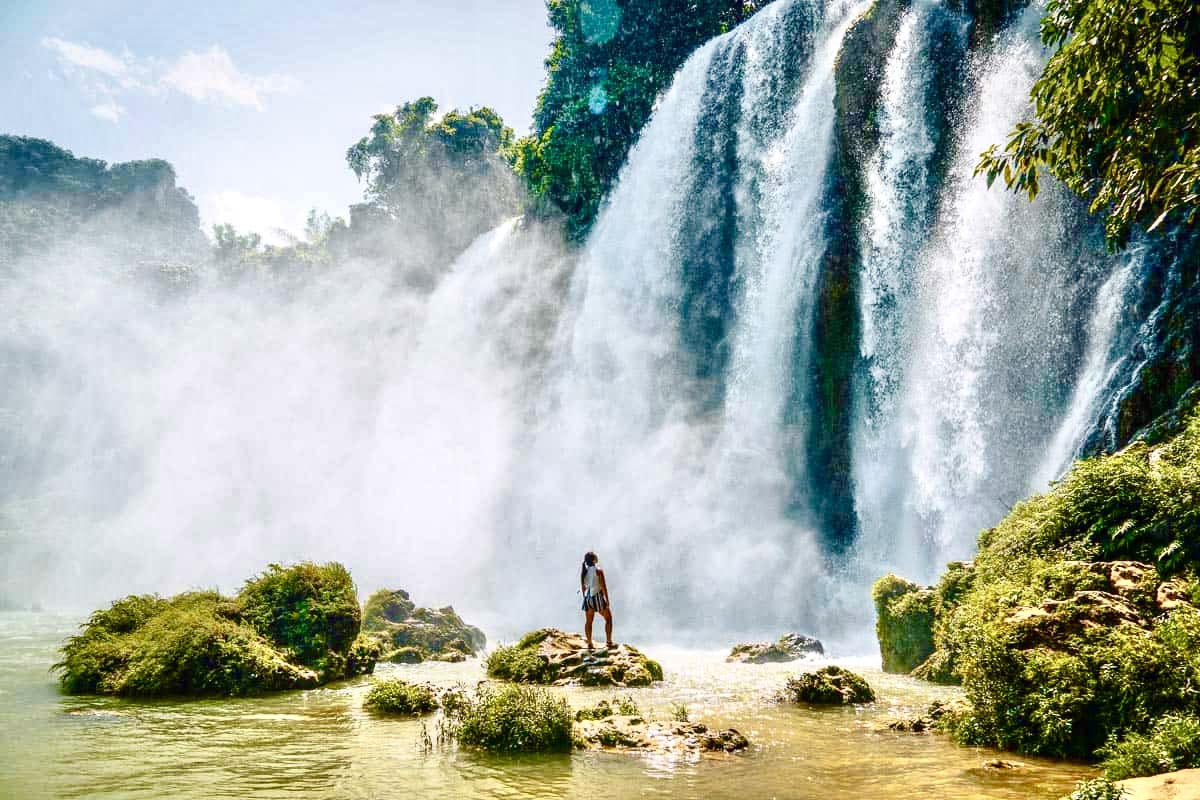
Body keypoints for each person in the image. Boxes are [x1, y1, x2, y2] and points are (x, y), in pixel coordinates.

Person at [580, 551, 613, 650]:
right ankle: (609, 641)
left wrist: (585, 599)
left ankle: (589, 643)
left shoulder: (584, 572)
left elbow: (583, 588)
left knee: (589, 621)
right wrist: (607, 599)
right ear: (594, 560)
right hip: (597, 596)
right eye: (595, 556)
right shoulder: (598, 570)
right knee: (609, 618)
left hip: (588, 598)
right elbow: (603, 586)